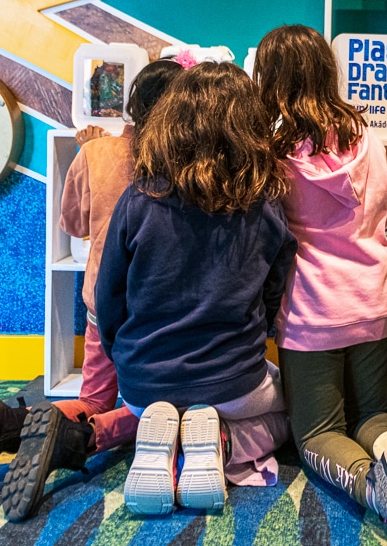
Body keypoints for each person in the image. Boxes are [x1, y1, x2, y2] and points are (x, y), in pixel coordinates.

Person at [0, 58, 184, 519]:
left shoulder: (95, 153)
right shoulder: (186, 164)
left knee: (92, 397)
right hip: (157, 314)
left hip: (99, 303)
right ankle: (80, 438)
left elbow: (73, 224)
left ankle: (12, 423)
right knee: (165, 408)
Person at [253, 24, 387, 546]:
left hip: (313, 312)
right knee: (371, 414)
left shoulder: (274, 153)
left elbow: (268, 234)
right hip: (376, 302)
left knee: (320, 434)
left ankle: (379, 490)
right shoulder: (366, 136)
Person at [95, 61, 299, 515]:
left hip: (142, 380)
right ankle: (220, 440)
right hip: (232, 378)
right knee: (295, 412)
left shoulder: (138, 200)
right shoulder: (265, 205)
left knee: (154, 404)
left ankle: (165, 434)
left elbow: (108, 299)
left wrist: (124, 357)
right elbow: (271, 297)